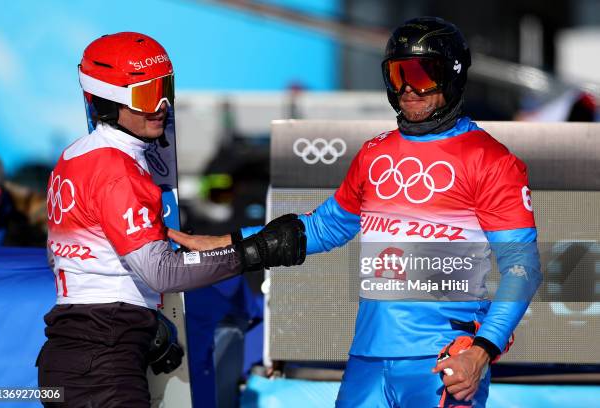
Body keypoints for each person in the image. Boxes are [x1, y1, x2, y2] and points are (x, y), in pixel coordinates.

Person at [174, 17, 542, 407]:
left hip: (442, 361)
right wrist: (228, 245)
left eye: (421, 75)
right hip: (368, 359)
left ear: (452, 77)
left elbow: (523, 266)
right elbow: (322, 229)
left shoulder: (491, 160)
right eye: (398, 74)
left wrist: (482, 351)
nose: (407, 90)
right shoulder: (375, 153)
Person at [36, 32, 306, 408]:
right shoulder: (120, 170)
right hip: (103, 363)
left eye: (167, 88)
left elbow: (63, 259)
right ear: (110, 100)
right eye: (147, 94)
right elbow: (163, 273)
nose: (162, 105)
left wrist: (144, 323)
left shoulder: (73, 158)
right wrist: (257, 252)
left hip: (74, 354)